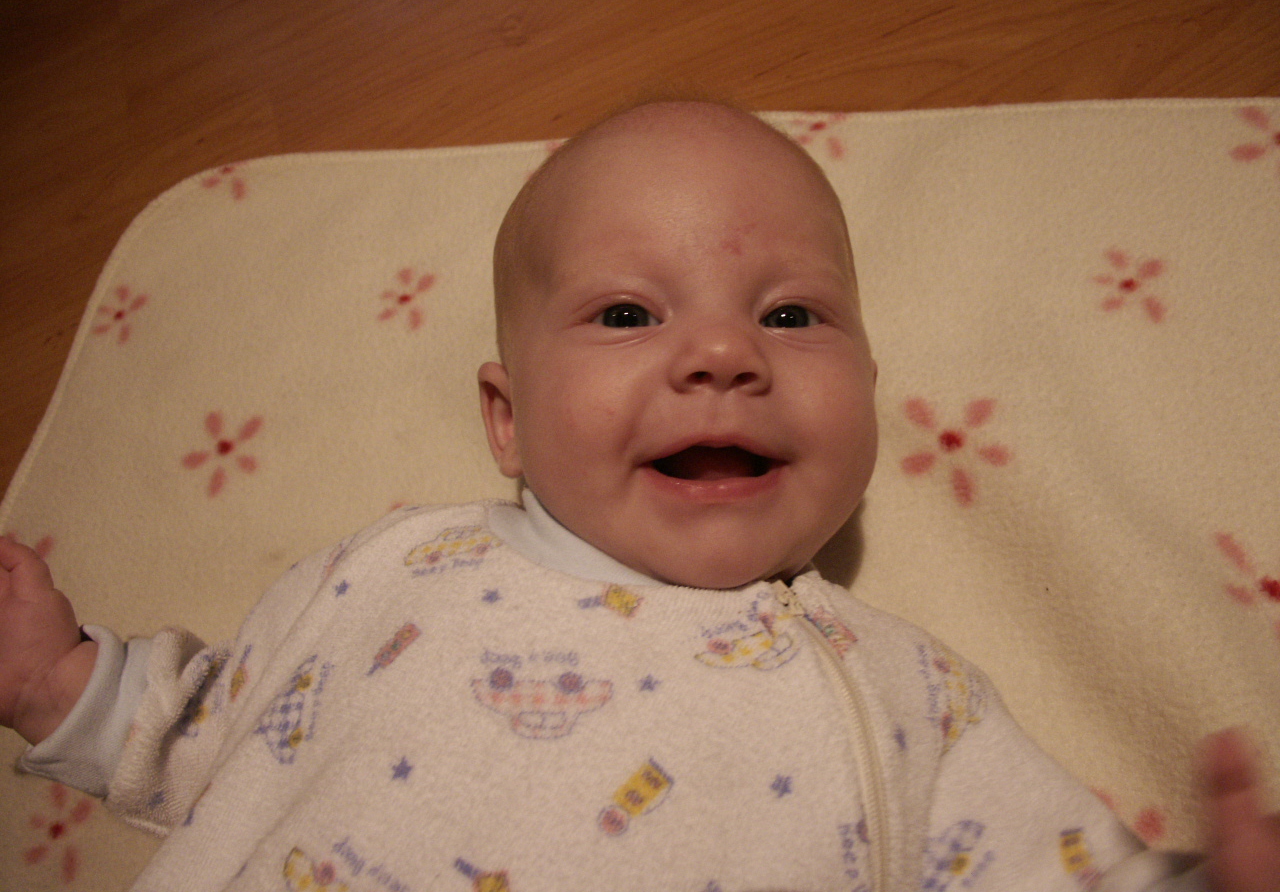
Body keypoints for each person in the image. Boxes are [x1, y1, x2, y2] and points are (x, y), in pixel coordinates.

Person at [1, 100, 1276, 892]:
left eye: (791, 315)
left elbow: (1031, 867)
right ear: (506, 419)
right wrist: (64, 681)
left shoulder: (899, 691)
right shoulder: (397, 568)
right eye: (625, 314)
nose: (722, 353)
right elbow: (222, 735)